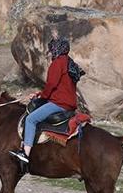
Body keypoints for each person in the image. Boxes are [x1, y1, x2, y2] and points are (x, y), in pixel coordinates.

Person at [9, 34, 84, 164]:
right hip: (69, 103)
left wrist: (42, 96)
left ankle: (25, 154)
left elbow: (51, 85)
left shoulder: (57, 63)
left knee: (31, 119)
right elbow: (60, 87)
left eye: (51, 50)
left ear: (56, 50)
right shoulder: (69, 63)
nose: (49, 54)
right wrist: (40, 93)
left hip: (59, 103)